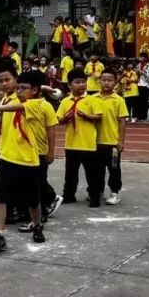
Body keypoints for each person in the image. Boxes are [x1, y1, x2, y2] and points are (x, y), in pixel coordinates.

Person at [0, 67, 49, 251]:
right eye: (18, 88)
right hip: (7, 157)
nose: (18, 91)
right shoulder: (11, 98)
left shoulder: (36, 105)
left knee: (32, 201)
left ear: (35, 91)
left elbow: (18, 106)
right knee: (0, 197)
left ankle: (37, 226)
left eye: (23, 88)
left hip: (28, 161)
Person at [57, 69, 104, 207]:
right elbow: (59, 119)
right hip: (71, 143)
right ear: (70, 85)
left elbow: (98, 116)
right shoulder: (65, 101)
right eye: (77, 82)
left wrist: (86, 116)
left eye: (83, 82)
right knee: (70, 173)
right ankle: (69, 195)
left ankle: (94, 196)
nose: (81, 85)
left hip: (88, 143)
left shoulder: (91, 99)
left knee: (91, 173)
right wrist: (65, 118)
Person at [95, 69, 128, 205]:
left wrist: (120, 140)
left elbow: (122, 121)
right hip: (95, 142)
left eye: (110, 80)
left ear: (115, 82)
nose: (106, 83)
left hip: (112, 142)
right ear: (99, 81)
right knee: (97, 169)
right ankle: (98, 190)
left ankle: (115, 192)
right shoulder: (92, 99)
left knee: (114, 168)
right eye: (103, 80)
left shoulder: (118, 100)